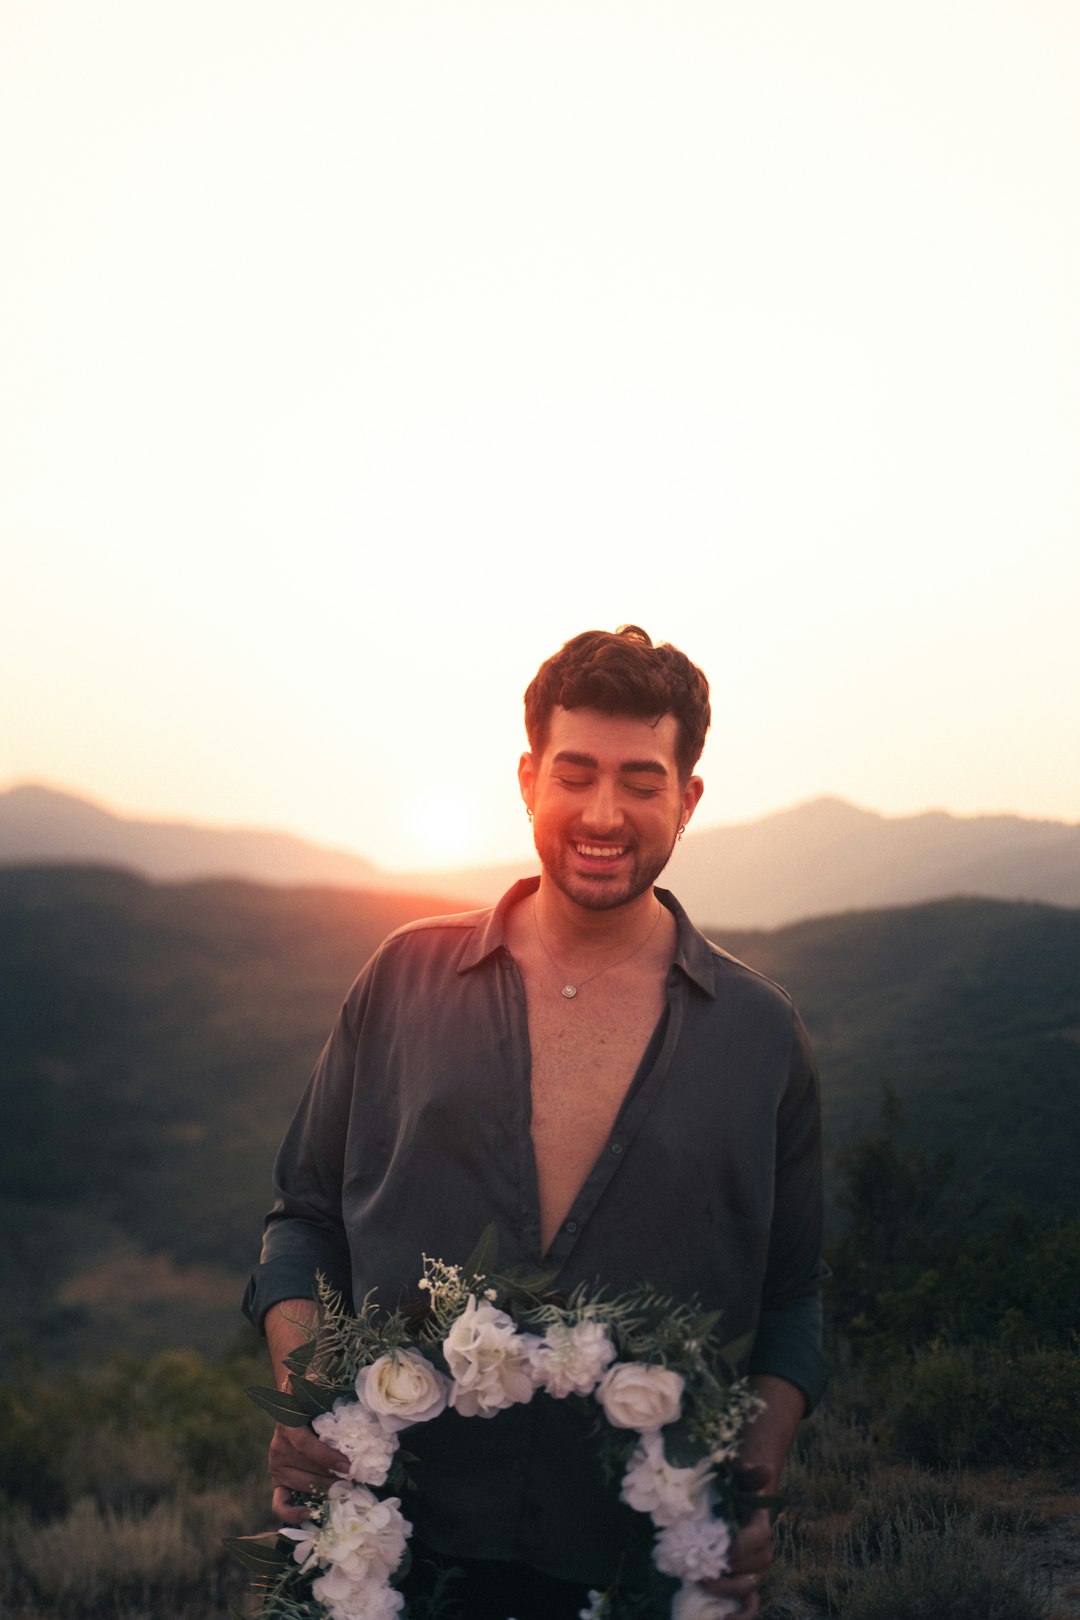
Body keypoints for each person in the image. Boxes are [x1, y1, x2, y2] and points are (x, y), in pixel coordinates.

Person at [243, 626, 827, 1619]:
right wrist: (307, 1402)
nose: (605, 813)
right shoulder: (401, 980)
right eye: (577, 773)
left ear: (687, 798)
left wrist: (751, 1475)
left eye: (642, 780)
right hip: (392, 1549)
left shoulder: (763, 1037)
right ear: (527, 781)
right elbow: (303, 1219)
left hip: (637, 1563)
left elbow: (790, 1303)